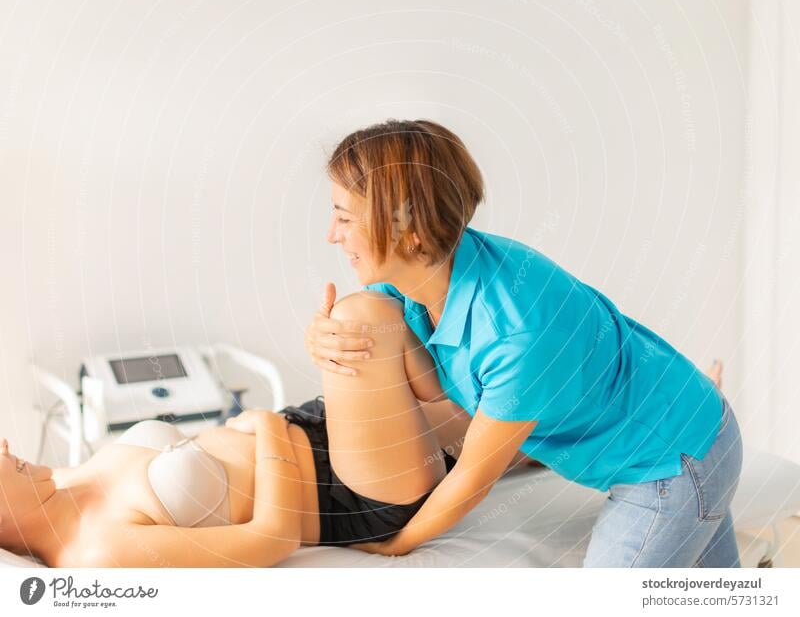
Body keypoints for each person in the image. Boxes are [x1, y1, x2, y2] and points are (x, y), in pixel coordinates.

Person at [304, 118, 743, 568]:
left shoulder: (517, 331)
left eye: (343, 216)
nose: (331, 234)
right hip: (682, 424)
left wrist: (395, 546)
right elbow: (419, 373)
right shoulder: (423, 272)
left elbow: (473, 478)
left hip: (672, 462)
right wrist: (325, 338)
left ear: (409, 230)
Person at [0, 292, 481, 568]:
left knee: (511, 424)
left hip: (312, 425)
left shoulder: (57, 485)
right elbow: (272, 538)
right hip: (348, 490)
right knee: (366, 317)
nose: (3, 444)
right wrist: (269, 426)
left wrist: (277, 426)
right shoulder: (94, 550)